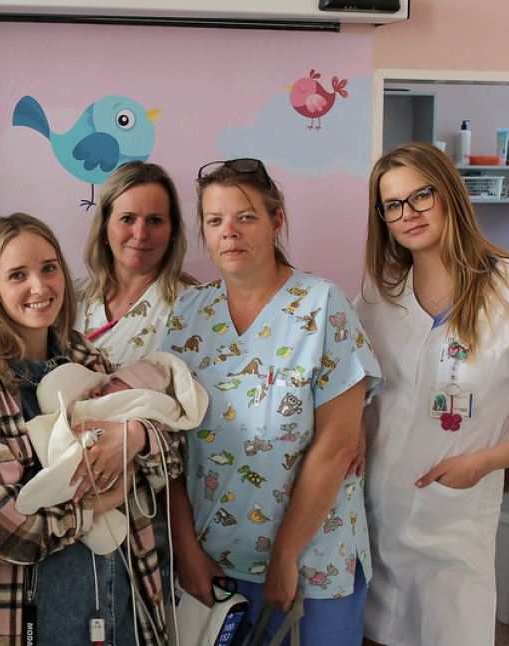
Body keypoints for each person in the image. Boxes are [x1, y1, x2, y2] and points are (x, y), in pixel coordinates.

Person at [357, 141, 509, 646]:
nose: (408, 213)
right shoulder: (379, 293)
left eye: (421, 195)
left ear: (449, 194)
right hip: (372, 521)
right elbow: (354, 393)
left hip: (453, 525)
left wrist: (482, 464)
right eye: (392, 205)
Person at [163, 158, 382, 646]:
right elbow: (167, 446)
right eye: (215, 220)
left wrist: (284, 557)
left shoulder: (322, 305)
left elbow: (339, 445)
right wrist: (187, 551)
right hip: (214, 560)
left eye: (246, 217)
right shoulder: (187, 313)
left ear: (276, 220)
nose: (229, 232)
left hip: (311, 559)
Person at [0, 213, 183, 645]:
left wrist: (136, 436)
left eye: (49, 268)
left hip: (120, 597)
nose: (39, 287)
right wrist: (103, 502)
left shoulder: (86, 357)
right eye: (18, 275)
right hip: (35, 614)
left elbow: (171, 453)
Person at [14, 352, 208, 555]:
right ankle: (53, 492)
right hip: (78, 477)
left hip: (125, 547)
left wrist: (139, 433)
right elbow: (9, 529)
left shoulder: (87, 354)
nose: (97, 390)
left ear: (138, 396)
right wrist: (109, 500)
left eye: (111, 385)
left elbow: (170, 467)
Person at [76, 161, 197, 368]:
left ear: (173, 231)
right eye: (127, 219)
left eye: (155, 220)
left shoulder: (193, 306)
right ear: (104, 227)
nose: (140, 235)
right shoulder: (68, 298)